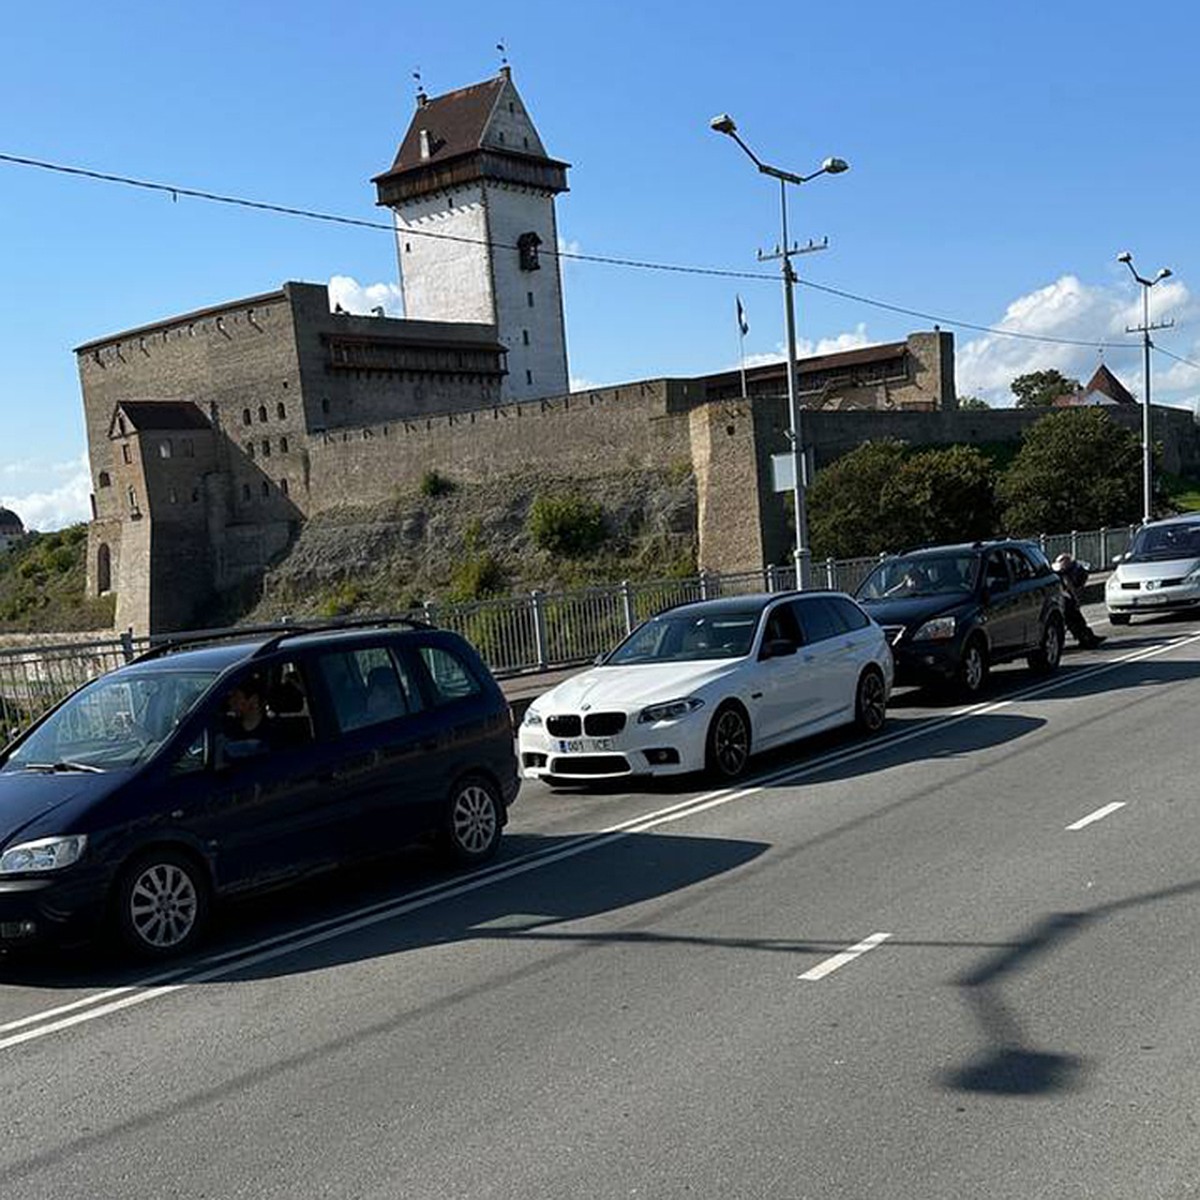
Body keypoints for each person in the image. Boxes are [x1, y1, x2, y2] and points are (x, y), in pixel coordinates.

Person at [1052, 552, 1106, 649]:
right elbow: (1069, 588)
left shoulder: (1057, 572)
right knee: (1074, 617)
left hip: (1059, 599)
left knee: (1075, 619)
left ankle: (1086, 638)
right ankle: (1087, 639)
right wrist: (1076, 600)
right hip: (1061, 600)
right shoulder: (1064, 574)